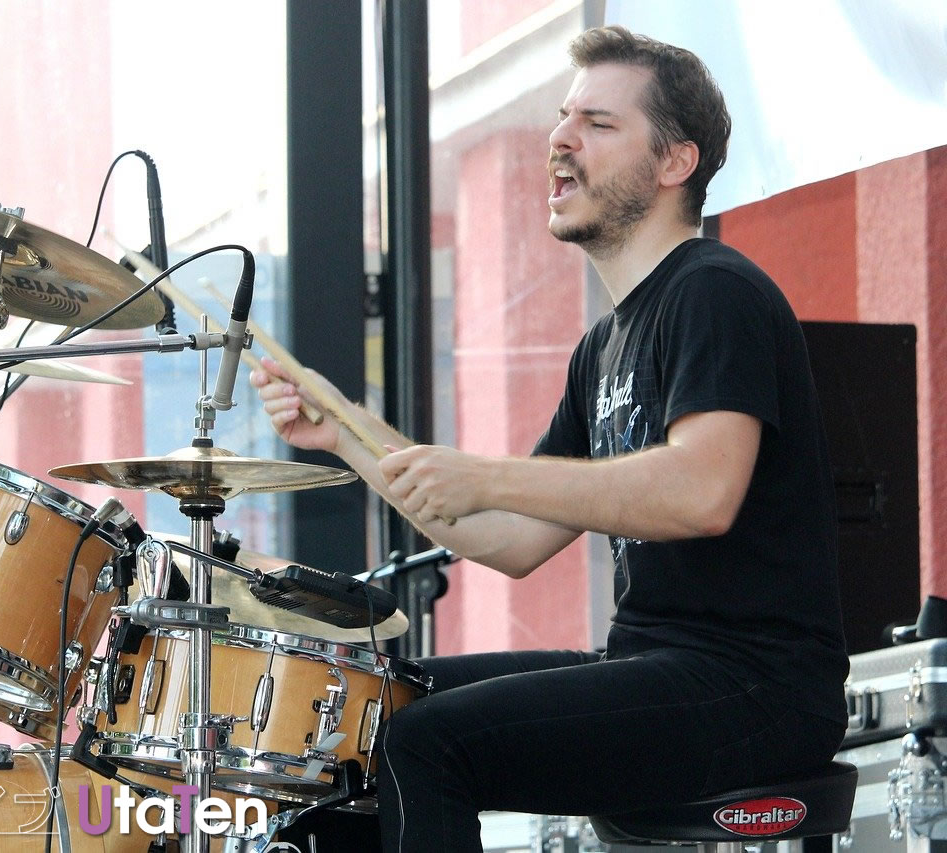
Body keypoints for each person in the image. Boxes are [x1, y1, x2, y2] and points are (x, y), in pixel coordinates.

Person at [253, 24, 848, 853]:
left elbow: (702, 491)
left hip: (758, 687)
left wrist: (487, 476)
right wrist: (347, 432)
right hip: (657, 663)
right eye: (563, 118)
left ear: (676, 161)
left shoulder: (716, 291)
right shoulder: (600, 348)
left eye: (599, 125)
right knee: (378, 702)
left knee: (428, 743)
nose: (560, 139)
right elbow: (507, 539)